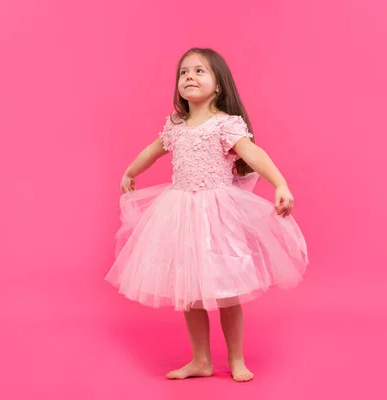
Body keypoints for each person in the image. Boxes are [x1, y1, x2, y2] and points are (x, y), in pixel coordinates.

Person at [105, 48, 308, 382]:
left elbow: (253, 153)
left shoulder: (225, 124)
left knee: (228, 291)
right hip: (180, 212)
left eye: (200, 71)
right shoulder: (176, 125)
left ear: (218, 85)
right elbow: (152, 151)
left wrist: (280, 183)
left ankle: (236, 358)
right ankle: (200, 359)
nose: (190, 77)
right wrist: (130, 171)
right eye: (184, 72)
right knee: (191, 294)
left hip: (216, 215)